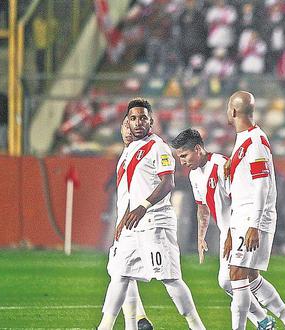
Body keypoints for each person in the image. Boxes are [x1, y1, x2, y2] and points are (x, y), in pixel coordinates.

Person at [97, 98, 205, 330]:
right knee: (120, 274)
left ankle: (196, 325)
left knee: (170, 278)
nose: (138, 123)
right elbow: (131, 192)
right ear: (127, 121)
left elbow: (168, 182)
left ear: (151, 121)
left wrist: (143, 206)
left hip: (155, 223)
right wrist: (123, 218)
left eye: (143, 118)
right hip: (132, 225)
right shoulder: (128, 151)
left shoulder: (158, 147)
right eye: (133, 119)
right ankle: (107, 326)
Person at [170, 128, 275, 330]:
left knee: (234, 279)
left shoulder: (220, 165)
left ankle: (267, 320)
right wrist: (201, 237)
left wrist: (231, 233)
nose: (181, 161)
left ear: (198, 149)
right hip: (225, 230)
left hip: (238, 227)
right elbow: (202, 207)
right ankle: (264, 320)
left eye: (184, 155)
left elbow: (239, 199)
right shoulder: (194, 175)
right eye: (179, 157)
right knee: (227, 282)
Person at [225, 91, 285, 330]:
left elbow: (263, 184)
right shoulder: (244, 140)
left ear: (233, 111)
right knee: (249, 277)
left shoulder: (255, 140)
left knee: (237, 275)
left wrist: (254, 224)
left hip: (252, 217)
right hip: (243, 216)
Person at [104, 117, 154, 330]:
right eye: (124, 124)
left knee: (119, 271)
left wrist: (127, 216)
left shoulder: (139, 153)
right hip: (128, 221)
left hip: (137, 222)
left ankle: (112, 325)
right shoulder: (126, 154)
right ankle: (139, 320)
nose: (127, 129)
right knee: (122, 271)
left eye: (130, 125)